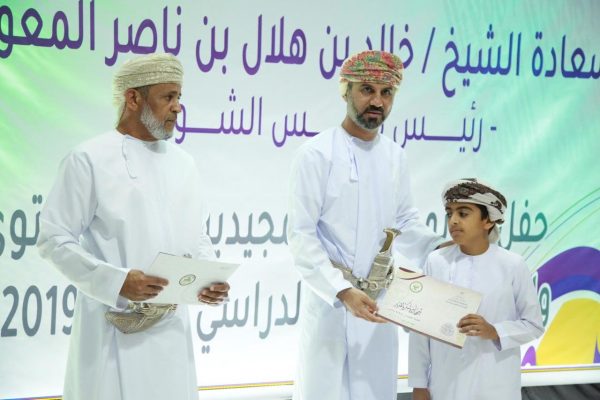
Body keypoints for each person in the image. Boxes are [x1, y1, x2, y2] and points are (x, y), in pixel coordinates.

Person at [37, 53, 230, 400]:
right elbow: (53, 238)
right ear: (133, 98)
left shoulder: (184, 163)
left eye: (179, 97)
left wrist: (208, 279)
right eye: (167, 97)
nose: (177, 107)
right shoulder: (89, 159)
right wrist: (117, 281)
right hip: (112, 330)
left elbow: (196, 235)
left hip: (172, 332)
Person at [287, 50, 444, 400]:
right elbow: (301, 235)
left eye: (386, 93)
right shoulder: (316, 154)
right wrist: (341, 291)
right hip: (330, 305)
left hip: (379, 305)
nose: (377, 101)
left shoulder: (395, 156)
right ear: (346, 91)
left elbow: (405, 221)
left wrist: (440, 249)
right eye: (367, 90)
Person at [408, 178, 544, 400]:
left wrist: (495, 331)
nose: (453, 221)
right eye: (449, 213)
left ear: (488, 221)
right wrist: (419, 385)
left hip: (496, 385)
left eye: (463, 213)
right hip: (446, 385)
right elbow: (420, 329)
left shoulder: (512, 265)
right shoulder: (436, 261)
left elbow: (533, 325)